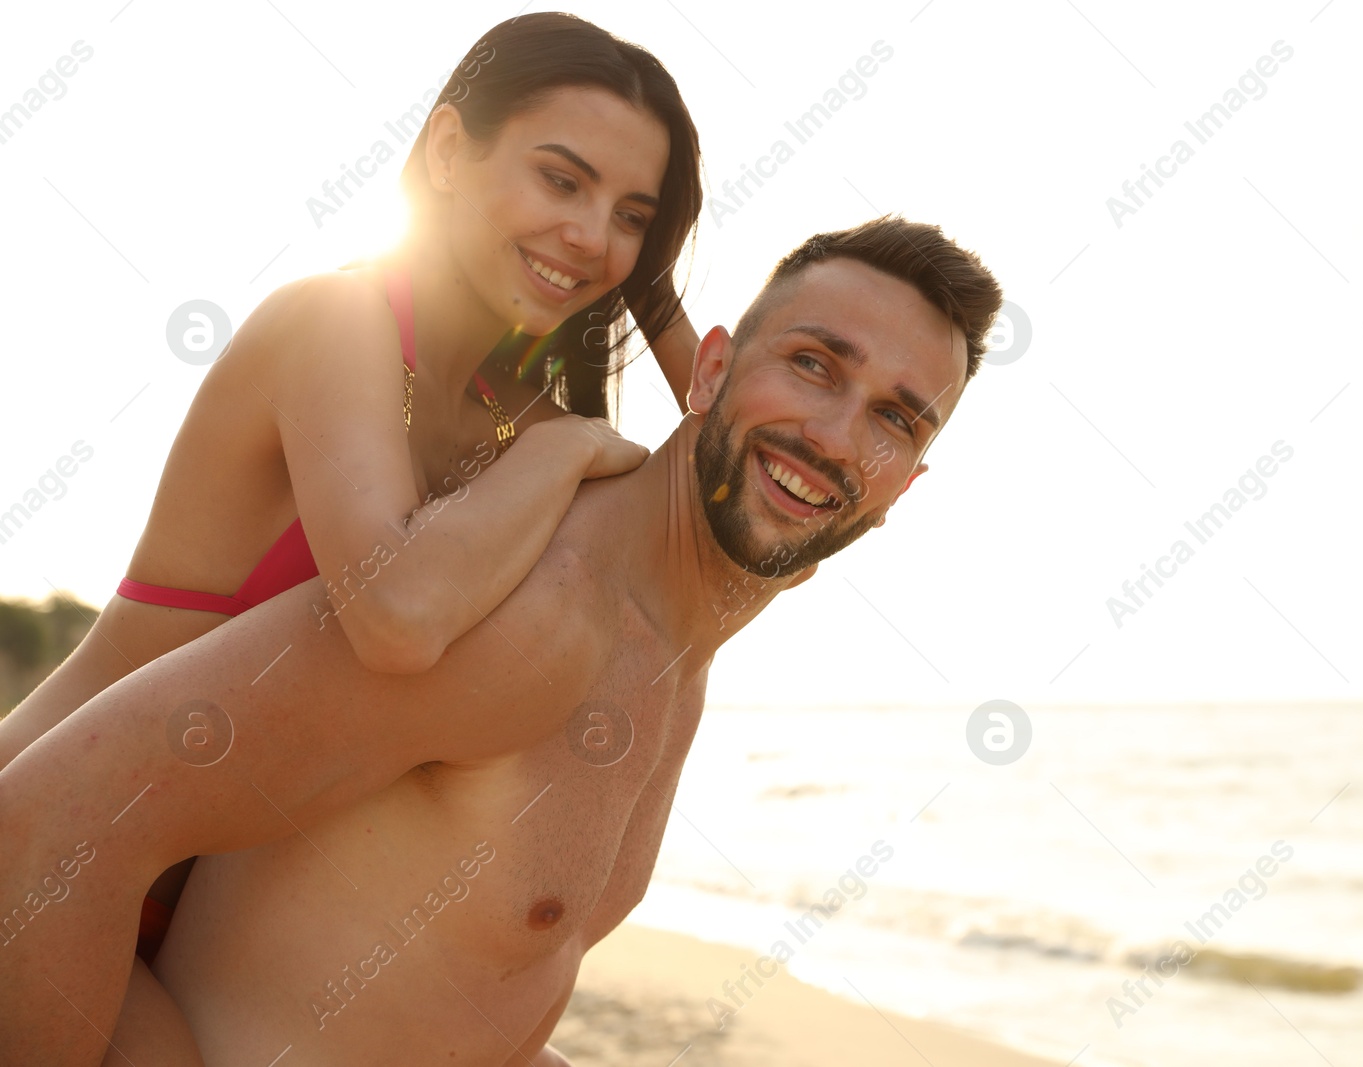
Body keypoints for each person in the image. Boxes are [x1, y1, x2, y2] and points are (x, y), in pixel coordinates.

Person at [0, 216, 1002, 1067]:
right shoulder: (533, 610)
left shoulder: (671, 650)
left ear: (905, 481)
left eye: (894, 419)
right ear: (710, 368)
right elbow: (39, 826)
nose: (834, 434)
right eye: (813, 364)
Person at [0, 11, 703, 954]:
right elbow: (395, 612)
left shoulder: (521, 415)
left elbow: (720, 475)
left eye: (630, 214)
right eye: (561, 179)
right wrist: (563, 449)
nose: (586, 233)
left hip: (197, 935)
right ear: (449, 150)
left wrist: (640, 278)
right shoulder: (335, 322)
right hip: (46, 859)